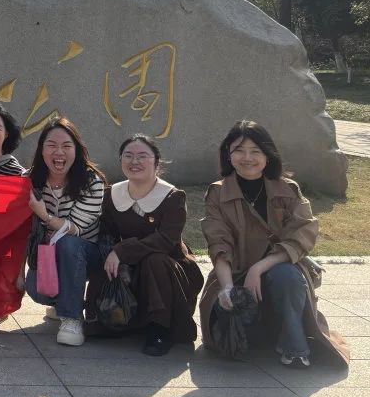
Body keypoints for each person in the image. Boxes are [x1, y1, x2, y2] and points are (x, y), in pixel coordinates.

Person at [200, 120, 349, 368]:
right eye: (239, 150)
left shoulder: (288, 189)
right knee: (229, 327)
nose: (247, 158)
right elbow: (219, 244)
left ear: (268, 155)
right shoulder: (217, 192)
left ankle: (295, 347)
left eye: (255, 151)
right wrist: (227, 289)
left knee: (285, 276)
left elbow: (302, 234)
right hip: (235, 273)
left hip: (281, 267)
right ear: (228, 154)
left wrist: (259, 268)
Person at [92, 134, 203, 356]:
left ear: (156, 161)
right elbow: (106, 233)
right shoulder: (112, 194)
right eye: (128, 156)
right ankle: (109, 317)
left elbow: (166, 240)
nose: (135, 161)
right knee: (106, 258)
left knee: (155, 260)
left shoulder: (172, 197)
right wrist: (113, 252)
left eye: (142, 156)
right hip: (130, 266)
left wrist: (122, 250)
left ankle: (160, 328)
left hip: (168, 267)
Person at [23, 117, 106, 347]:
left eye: (66, 146)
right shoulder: (30, 180)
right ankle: (63, 301)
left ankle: (72, 318)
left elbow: (75, 228)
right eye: (51, 145)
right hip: (49, 254)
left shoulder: (92, 181)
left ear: (76, 151)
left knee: (68, 243)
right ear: (41, 150)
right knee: (36, 290)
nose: (59, 152)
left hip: (88, 254)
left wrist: (44, 215)